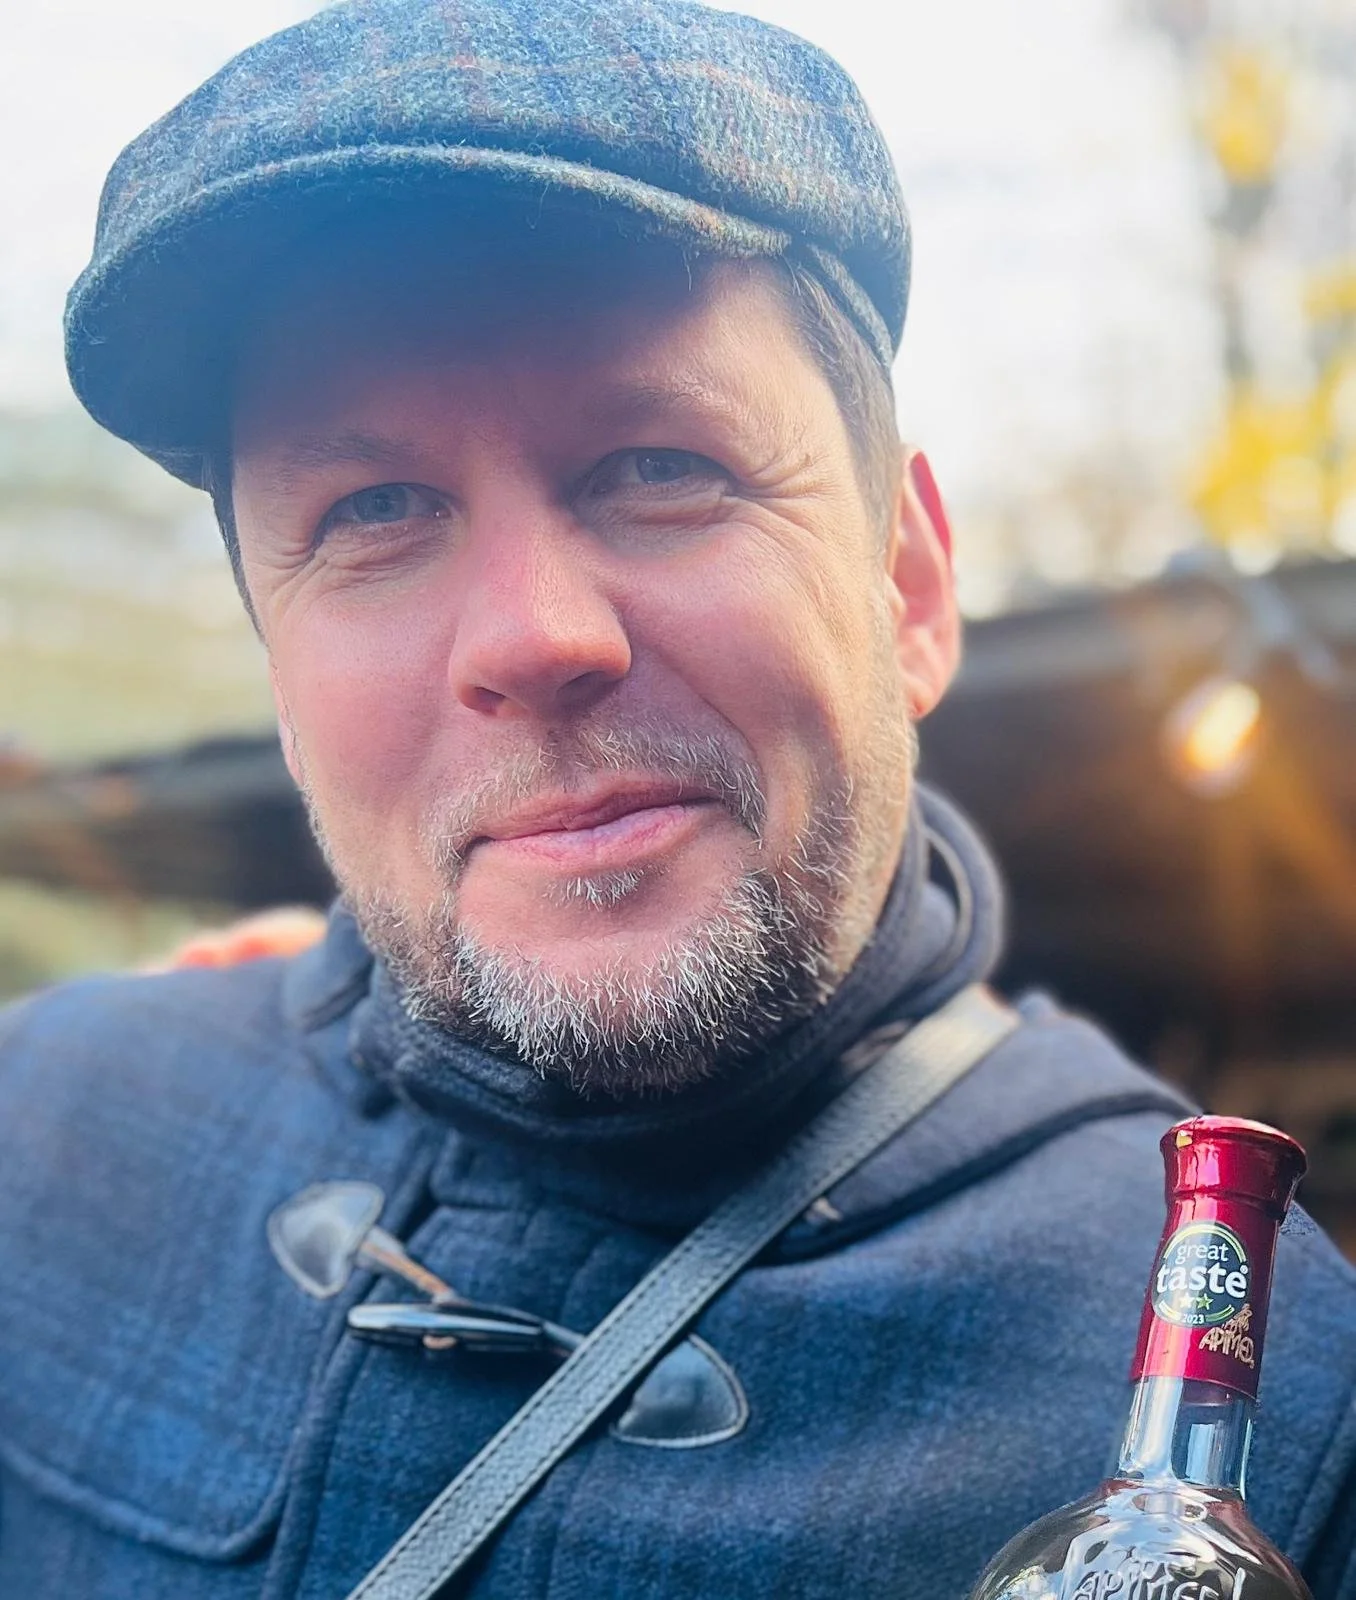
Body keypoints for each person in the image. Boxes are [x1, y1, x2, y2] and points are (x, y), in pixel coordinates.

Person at [1, 1, 1353, 1595]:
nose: (534, 638)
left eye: (660, 464)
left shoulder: (1285, 1403)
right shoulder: (44, 1132)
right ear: (279, 681)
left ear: (908, 584)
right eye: (373, 508)